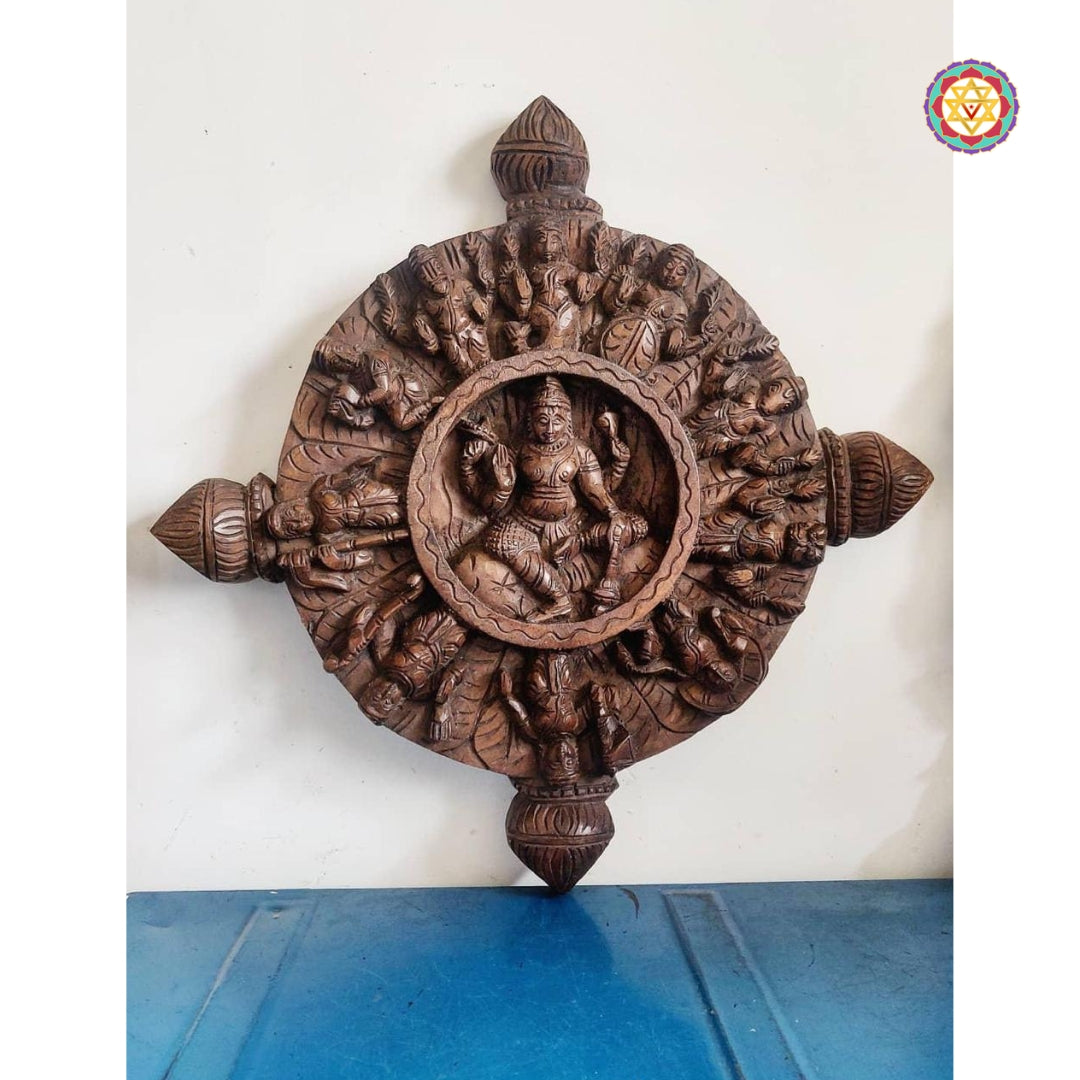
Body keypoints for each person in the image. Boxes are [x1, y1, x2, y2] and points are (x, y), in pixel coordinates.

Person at [461, 377, 644, 619]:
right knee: (499, 541)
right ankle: (559, 600)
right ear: (531, 422)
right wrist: (501, 485)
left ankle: (580, 542)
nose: (549, 429)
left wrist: (613, 513)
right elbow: (490, 505)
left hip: (571, 524)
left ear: (567, 420)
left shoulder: (579, 451)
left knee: (636, 526)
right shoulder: (521, 450)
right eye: (542, 421)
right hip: (524, 524)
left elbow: (595, 490)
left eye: (557, 421)